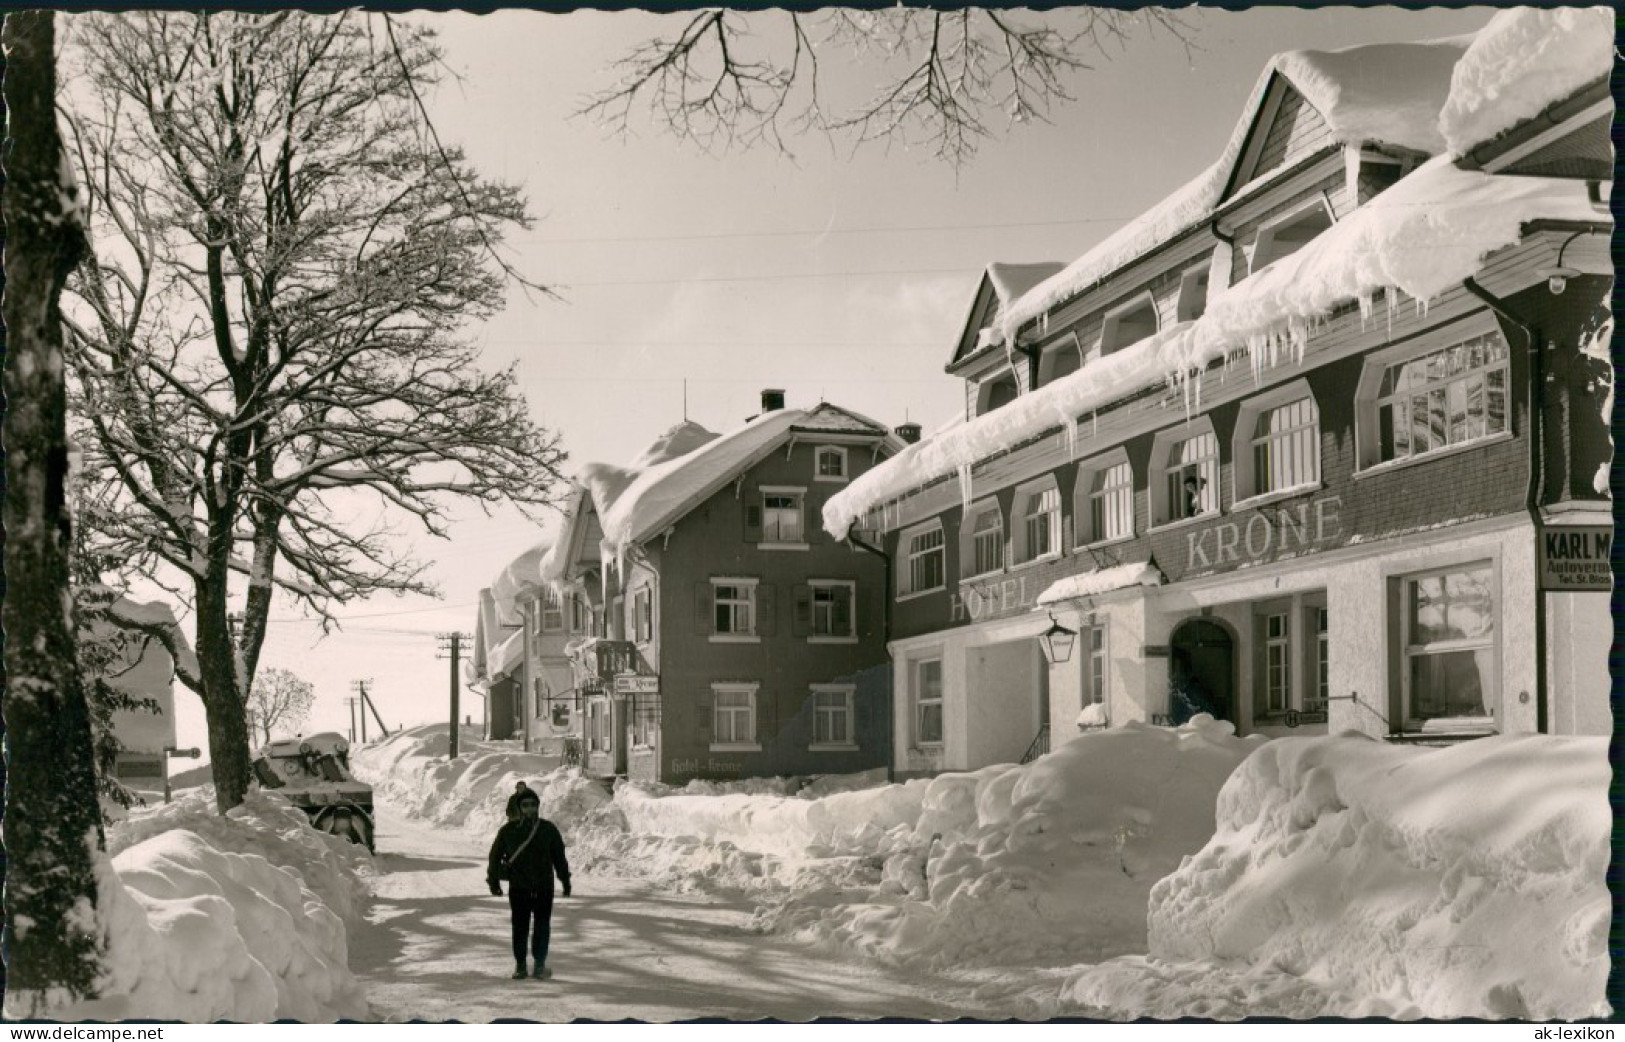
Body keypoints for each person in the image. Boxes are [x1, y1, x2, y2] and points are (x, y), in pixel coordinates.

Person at [487, 790, 571, 980]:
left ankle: (539, 965)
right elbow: (494, 857)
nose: (530, 809)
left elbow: (559, 857)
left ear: (538, 806)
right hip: (519, 888)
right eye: (525, 805)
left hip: (543, 888)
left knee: (542, 927)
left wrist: (565, 880)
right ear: (519, 808)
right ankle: (521, 965)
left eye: (533, 804)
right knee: (520, 927)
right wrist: (493, 881)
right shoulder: (508, 831)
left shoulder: (548, 829)